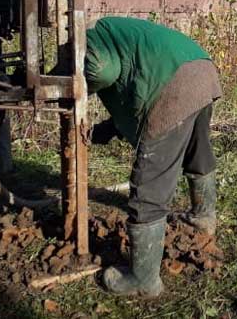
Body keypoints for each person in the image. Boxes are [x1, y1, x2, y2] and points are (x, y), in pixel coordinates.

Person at [85, 16, 222, 298]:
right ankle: (203, 217)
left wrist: (78, 87)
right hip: (202, 71)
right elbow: (133, 87)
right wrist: (107, 129)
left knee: (151, 181)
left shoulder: (89, 40)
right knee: (198, 150)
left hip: (173, 85)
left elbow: (102, 72)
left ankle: (143, 279)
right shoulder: (121, 34)